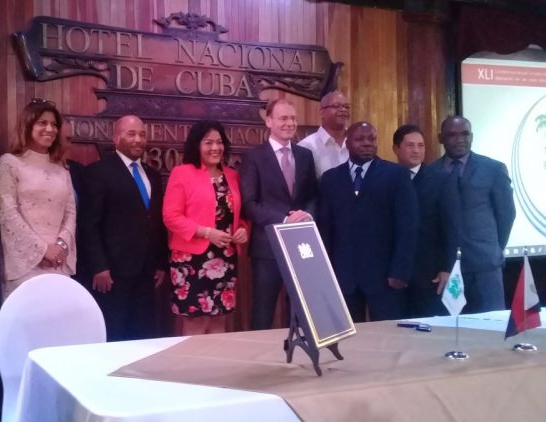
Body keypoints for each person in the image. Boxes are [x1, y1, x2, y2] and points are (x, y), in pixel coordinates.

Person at [318, 121, 419, 322]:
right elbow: (326, 229)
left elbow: (408, 225)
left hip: (384, 277)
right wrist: (326, 272)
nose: (367, 143)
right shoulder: (331, 178)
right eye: (360, 139)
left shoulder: (396, 174)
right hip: (344, 275)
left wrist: (400, 270)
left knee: (387, 339)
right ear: (347, 143)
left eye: (371, 139)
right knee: (349, 341)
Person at [82, 115, 167, 341]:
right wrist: (99, 266)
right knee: (115, 331)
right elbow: (89, 224)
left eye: (142, 134)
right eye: (131, 134)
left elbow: (155, 221)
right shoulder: (98, 172)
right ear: (116, 138)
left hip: (146, 271)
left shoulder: (153, 175)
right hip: (113, 272)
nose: (138, 139)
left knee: (143, 332)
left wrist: (160, 262)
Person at [239, 98, 318, 330]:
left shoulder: (305, 155)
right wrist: (285, 220)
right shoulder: (254, 157)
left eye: (293, 118)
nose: (290, 123)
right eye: (283, 118)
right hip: (268, 247)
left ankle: (300, 357)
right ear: (269, 121)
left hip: (302, 244)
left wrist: (307, 215)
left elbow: (313, 196)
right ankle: (259, 363)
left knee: (301, 308)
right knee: (263, 310)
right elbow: (249, 204)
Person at [163, 120, 248, 335]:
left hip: (225, 258)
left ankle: (214, 368)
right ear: (197, 145)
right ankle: (193, 368)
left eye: (219, 142)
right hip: (192, 260)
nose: (215, 148)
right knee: (195, 322)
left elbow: (241, 214)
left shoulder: (232, 175)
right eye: (208, 142)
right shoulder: (182, 173)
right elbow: (170, 216)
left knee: (220, 319)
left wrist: (244, 229)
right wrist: (207, 233)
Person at [428, 115, 516, 313]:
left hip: (485, 266)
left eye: (465, 134)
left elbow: (506, 215)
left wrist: (494, 246)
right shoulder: (431, 172)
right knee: (452, 332)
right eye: (452, 135)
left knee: (491, 328)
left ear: (472, 136)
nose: (460, 139)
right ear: (441, 138)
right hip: (447, 269)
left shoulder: (493, 169)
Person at [0, 99, 76, 297]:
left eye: (54, 124)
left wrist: (61, 246)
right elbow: (8, 215)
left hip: (59, 260)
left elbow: (70, 211)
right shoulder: (9, 163)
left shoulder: (61, 168)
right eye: (42, 122)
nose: (50, 129)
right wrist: (42, 251)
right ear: (27, 125)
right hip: (25, 262)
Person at [392, 124, 457, 317]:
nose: (416, 150)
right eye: (410, 145)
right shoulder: (386, 177)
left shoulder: (441, 179)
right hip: (393, 273)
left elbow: (452, 227)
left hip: (430, 272)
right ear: (396, 149)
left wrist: (447, 268)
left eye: (420, 145)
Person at [298, 91, 350, 178]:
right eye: (336, 106)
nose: (343, 110)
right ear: (322, 112)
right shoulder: (306, 147)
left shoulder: (358, 142)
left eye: (346, 107)